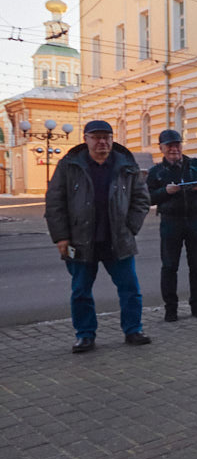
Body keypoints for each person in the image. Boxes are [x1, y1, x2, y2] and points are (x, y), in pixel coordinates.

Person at [45, 120, 152, 353]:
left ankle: (133, 330)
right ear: (86, 139)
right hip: (80, 240)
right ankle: (85, 335)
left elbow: (142, 199)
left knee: (130, 288)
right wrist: (61, 237)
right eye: (96, 137)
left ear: (112, 139)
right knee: (81, 291)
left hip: (118, 240)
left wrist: (130, 227)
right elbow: (54, 203)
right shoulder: (69, 165)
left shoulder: (126, 164)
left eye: (107, 137)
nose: (102, 142)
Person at [146, 129, 197, 321]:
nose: (174, 149)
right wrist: (165, 191)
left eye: (177, 144)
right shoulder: (156, 172)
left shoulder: (196, 165)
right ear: (161, 148)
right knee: (169, 266)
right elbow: (147, 198)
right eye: (169, 145)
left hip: (196, 220)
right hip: (171, 222)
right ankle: (171, 308)